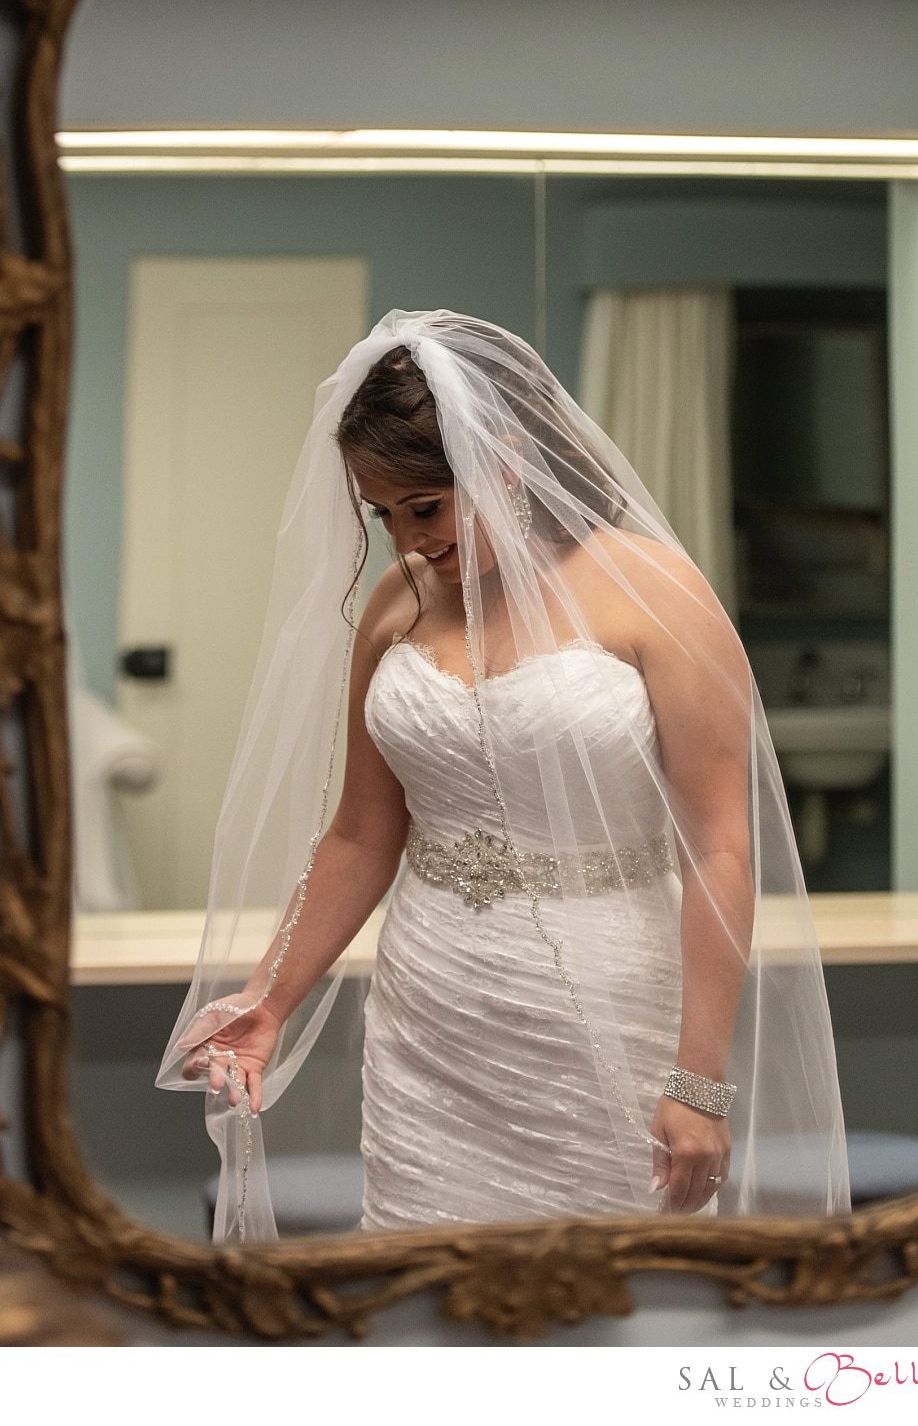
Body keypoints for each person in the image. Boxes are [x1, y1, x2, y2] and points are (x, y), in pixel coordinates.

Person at [158, 310, 849, 1241]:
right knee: (425, 1279)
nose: (411, 537)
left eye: (429, 506)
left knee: (609, 1286)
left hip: (610, 1004)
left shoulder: (654, 591)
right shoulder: (397, 603)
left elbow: (721, 847)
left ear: (505, 457)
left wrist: (699, 1080)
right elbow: (364, 833)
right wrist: (270, 999)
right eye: (386, 514)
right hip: (433, 1010)